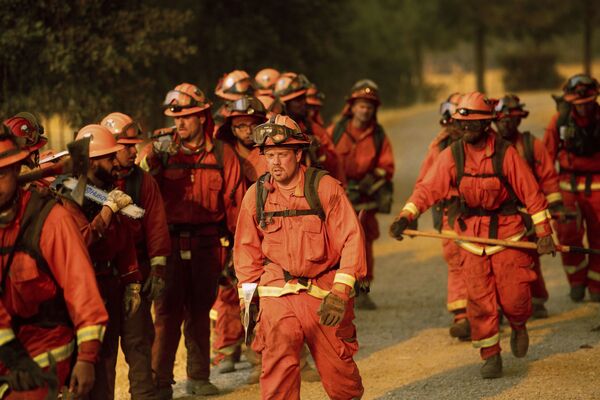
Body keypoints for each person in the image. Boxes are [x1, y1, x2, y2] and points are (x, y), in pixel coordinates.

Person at [391, 92, 556, 379]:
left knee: (515, 297)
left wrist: (544, 233)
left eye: (472, 124)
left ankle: (518, 325)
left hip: (508, 236)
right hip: (470, 237)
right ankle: (491, 355)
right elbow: (428, 189)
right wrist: (406, 215)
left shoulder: (506, 154)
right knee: (479, 302)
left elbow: (532, 194)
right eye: (461, 124)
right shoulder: (452, 155)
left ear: (486, 125)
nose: (466, 129)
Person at [234, 115, 366, 399]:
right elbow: (246, 251)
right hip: (277, 291)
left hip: (324, 291)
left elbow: (352, 239)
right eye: (270, 156)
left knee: (339, 371)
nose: (276, 163)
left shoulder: (324, 188)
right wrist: (248, 301)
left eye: (282, 154)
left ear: (298, 154)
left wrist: (341, 292)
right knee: (278, 362)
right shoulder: (255, 196)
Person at [141, 83, 244, 398]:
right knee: (166, 315)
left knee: (201, 311)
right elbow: (139, 189)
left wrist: (237, 252)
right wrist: (149, 160)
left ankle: (198, 377)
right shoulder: (159, 151)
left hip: (207, 243)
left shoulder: (223, 154)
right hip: (168, 244)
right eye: (176, 118)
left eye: (186, 116)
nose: (179, 123)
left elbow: (235, 204)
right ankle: (160, 384)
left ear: (202, 116)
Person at [0, 131, 108, 399]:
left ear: (17, 169)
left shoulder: (50, 220)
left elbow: (81, 288)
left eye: (0, 174)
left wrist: (87, 357)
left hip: (46, 341)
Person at [53, 124, 143, 400]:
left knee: (106, 367)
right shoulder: (69, 193)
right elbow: (81, 240)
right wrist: (107, 211)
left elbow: (123, 238)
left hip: (109, 284)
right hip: (81, 289)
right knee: (82, 370)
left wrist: (131, 282)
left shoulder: (100, 190)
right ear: (92, 161)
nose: (115, 162)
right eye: (108, 158)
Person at [101, 112, 171, 399]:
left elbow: (156, 226)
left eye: (134, 146)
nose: (133, 152)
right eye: (126, 146)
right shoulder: (87, 184)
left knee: (139, 342)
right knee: (102, 351)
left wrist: (157, 270)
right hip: (101, 277)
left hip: (137, 274)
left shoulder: (142, 182)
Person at [329, 79, 394, 309]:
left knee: (364, 244)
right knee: (334, 244)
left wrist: (369, 181)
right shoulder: (335, 130)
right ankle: (337, 289)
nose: (365, 110)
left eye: (369, 106)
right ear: (352, 106)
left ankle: (363, 290)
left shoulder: (378, 135)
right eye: (361, 105)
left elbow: (387, 166)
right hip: (338, 197)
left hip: (365, 199)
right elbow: (326, 158)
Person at [494, 94, 561, 318]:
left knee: (530, 259)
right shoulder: (486, 148)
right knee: (496, 263)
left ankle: (537, 300)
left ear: (519, 120)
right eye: (501, 119)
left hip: (528, 213)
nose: (506, 124)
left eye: (511, 119)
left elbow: (549, 177)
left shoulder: (532, 145)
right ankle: (498, 307)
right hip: (498, 215)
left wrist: (555, 207)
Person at [414, 93, 470, 337]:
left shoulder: (490, 144)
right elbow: (425, 183)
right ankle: (463, 316)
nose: (453, 126)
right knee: (456, 261)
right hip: (452, 212)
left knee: (485, 263)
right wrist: (411, 211)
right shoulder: (439, 146)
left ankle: (488, 311)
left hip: (487, 214)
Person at [543, 73, 600, 302]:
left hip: (598, 187)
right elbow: (547, 158)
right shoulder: (559, 121)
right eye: (579, 104)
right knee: (567, 236)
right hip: (567, 186)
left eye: (588, 103)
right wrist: (547, 191)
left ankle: (597, 284)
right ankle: (576, 281)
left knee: (599, 236)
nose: (584, 109)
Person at [273, 72, 344, 182]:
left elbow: (334, 162)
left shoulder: (312, 128)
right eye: (297, 100)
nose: (304, 103)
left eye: (303, 98)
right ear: (284, 105)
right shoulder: (270, 130)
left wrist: (318, 149)